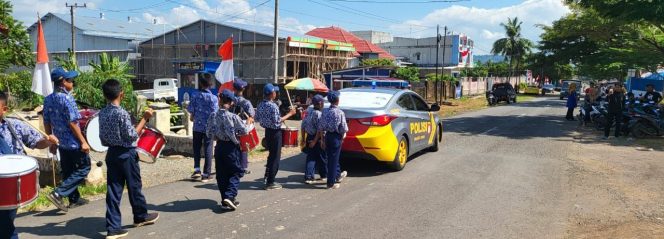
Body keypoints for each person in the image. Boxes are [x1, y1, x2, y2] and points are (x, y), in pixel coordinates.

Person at [99, 79, 159, 239]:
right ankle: (140, 216)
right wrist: (145, 119)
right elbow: (132, 135)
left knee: (113, 190)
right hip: (126, 153)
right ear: (121, 94)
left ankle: (112, 227)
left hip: (111, 153)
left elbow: (102, 138)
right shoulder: (121, 113)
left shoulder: (102, 113)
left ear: (105, 95)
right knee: (134, 186)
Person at [0, 92, 59, 239]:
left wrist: (48, 141)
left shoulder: (15, 126)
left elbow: (37, 142)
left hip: (9, 187)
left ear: (4, 109)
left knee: (6, 224)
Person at [43, 67, 91, 212]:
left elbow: (46, 121)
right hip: (73, 143)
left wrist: (52, 141)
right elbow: (73, 123)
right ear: (63, 82)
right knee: (84, 168)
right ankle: (58, 193)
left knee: (69, 171)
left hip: (61, 143)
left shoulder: (48, 99)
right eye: (71, 80)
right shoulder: (67, 98)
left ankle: (74, 199)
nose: (73, 83)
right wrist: (83, 141)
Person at [206, 89, 250, 210]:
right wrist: (247, 124)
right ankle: (229, 196)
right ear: (231, 103)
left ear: (219, 100)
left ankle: (225, 200)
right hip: (231, 147)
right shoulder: (233, 117)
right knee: (236, 171)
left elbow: (208, 133)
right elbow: (244, 131)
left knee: (221, 174)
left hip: (219, 146)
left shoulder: (212, 115)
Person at [255, 84, 296, 190]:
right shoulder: (273, 106)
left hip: (267, 132)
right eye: (275, 92)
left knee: (271, 156)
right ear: (272, 94)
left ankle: (267, 176)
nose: (276, 94)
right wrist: (290, 114)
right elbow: (278, 121)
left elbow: (257, 118)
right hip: (275, 133)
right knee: (275, 158)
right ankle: (270, 181)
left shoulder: (260, 104)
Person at [186, 73, 218, 182]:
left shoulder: (195, 96)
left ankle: (196, 170)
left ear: (200, 83)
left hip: (197, 127)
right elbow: (215, 113)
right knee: (208, 148)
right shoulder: (214, 98)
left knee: (196, 148)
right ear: (211, 84)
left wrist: (193, 117)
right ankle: (206, 174)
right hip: (209, 128)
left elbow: (191, 113)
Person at [318, 91, 348, 189]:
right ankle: (331, 182)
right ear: (337, 101)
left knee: (330, 158)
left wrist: (322, 140)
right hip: (336, 137)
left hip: (327, 136)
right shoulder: (340, 112)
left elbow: (321, 127)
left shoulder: (325, 111)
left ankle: (336, 176)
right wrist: (342, 137)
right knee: (334, 160)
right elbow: (343, 128)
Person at [230, 79, 255, 174]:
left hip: (231, 126)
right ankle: (243, 167)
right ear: (243, 89)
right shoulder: (245, 102)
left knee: (233, 146)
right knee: (243, 146)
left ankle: (233, 165)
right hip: (242, 126)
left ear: (234, 89)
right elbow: (252, 115)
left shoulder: (230, 99)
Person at [301, 95, 327, 184]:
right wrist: (315, 141)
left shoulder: (308, 112)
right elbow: (320, 129)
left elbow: (303, 126)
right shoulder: (319, 114)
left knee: (311, 157)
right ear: (320, 103)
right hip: (316, 138)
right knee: (322, 157)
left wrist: (303, 139)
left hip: (309, 137)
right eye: (323, 102)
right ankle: (325, 175)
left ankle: (308, 176)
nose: (323, 104)